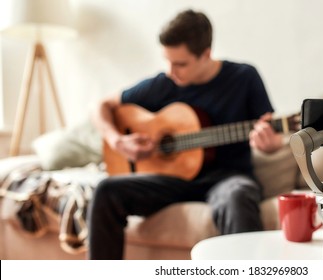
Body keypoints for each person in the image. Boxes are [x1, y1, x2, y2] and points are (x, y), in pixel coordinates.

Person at [87, 9, 283, 259]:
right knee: (106, 190)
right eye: (167, 61)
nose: (171, 71)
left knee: (238, 195)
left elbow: (272, 135)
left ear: (206, 54)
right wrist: (117, 140)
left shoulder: (244, 78)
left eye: (180, 64)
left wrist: (270, 145)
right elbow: (100, 106)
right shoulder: (164, 84)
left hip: (227, 178)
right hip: (172, 182)